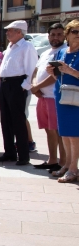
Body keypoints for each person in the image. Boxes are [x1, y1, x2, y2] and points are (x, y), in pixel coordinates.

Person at [0, 21, 38, 165]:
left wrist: (24, 86)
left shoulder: (27, 47)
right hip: (5, 84)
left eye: (11, 30)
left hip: (17, 84)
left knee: (18, 121)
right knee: (6, 119)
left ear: (19, 32)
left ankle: (23, 156)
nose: (7, 33)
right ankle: (10, 152)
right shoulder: (10, 46)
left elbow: (32, 69)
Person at [31, 24, 67, 172]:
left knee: (58, 131)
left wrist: (37, 86)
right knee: (48, 130)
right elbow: (35, 71)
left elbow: (55, 76)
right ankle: (52, 160)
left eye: (59, 34)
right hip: (42, 98)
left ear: (64, 36)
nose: (55, 37)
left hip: (55, 97)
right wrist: (35, 86)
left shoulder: (63, 52)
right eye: (53, 34)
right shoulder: (46, 53)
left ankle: (63, 162)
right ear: (48, 36)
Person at [49, 19, 79, 183]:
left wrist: (69, 70)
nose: (78, 35)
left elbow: (73, 73)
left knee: (75, 134)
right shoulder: (62, 52)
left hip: (76, 96)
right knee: (65, 132)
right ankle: (67, 164)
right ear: (67, 34)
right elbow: (58, 75)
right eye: (74, 32)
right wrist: (52, 71)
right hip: (61, 94)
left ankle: (74, 168)